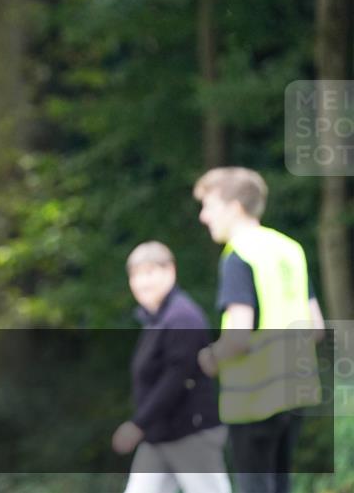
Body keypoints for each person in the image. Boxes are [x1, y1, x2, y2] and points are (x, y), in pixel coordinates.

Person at [193, 167, 325, 493]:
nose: (203, 216)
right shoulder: (289, 249)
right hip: (295, 390)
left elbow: (238, 335)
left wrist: (210, 358)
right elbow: (317, 328)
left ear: (235, 206)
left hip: (254, 397)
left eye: (209, 206)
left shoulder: (239, 255)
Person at [112, 241, 230, 493]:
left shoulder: (183, 317)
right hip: (158, 435)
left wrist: (137, 424)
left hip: (190, 434)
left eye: (149, 272)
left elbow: (176, 379)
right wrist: (145, 425)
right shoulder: (157, 319)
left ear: (170, 271)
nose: (142, 282)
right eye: (135, 275)